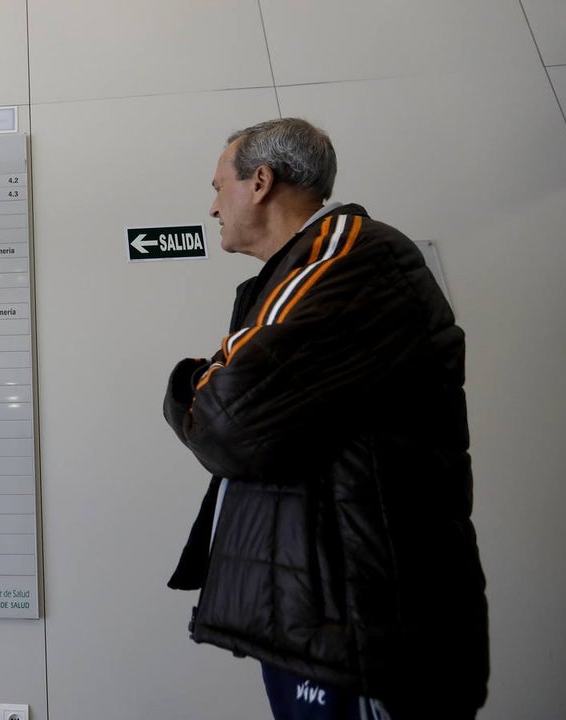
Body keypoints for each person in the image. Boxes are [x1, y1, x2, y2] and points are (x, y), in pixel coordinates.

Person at [163, 118, 488, 720]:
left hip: (359, 624)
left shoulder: (344, 254)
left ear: (260, 181)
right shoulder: (306, 267)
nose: (212, 207)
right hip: (328, 615)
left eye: (218, 187)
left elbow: (226, 421)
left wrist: (186, 380)